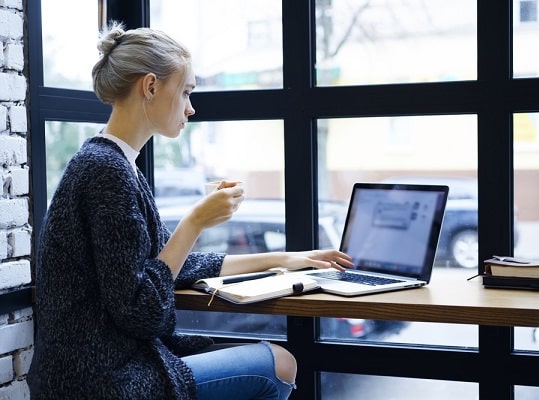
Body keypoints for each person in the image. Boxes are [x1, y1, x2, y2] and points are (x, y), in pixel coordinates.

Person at [27, 22, 353, 400]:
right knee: (280, 363)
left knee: (264, 358)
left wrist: (289, 258)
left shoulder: (112, 162)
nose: (191, 107)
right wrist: (196, 221)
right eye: (185, 92)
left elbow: (175, 265)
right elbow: (140, 310)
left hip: (96, 370)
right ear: (150, 87)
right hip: (101, 382)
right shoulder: (106, 171)